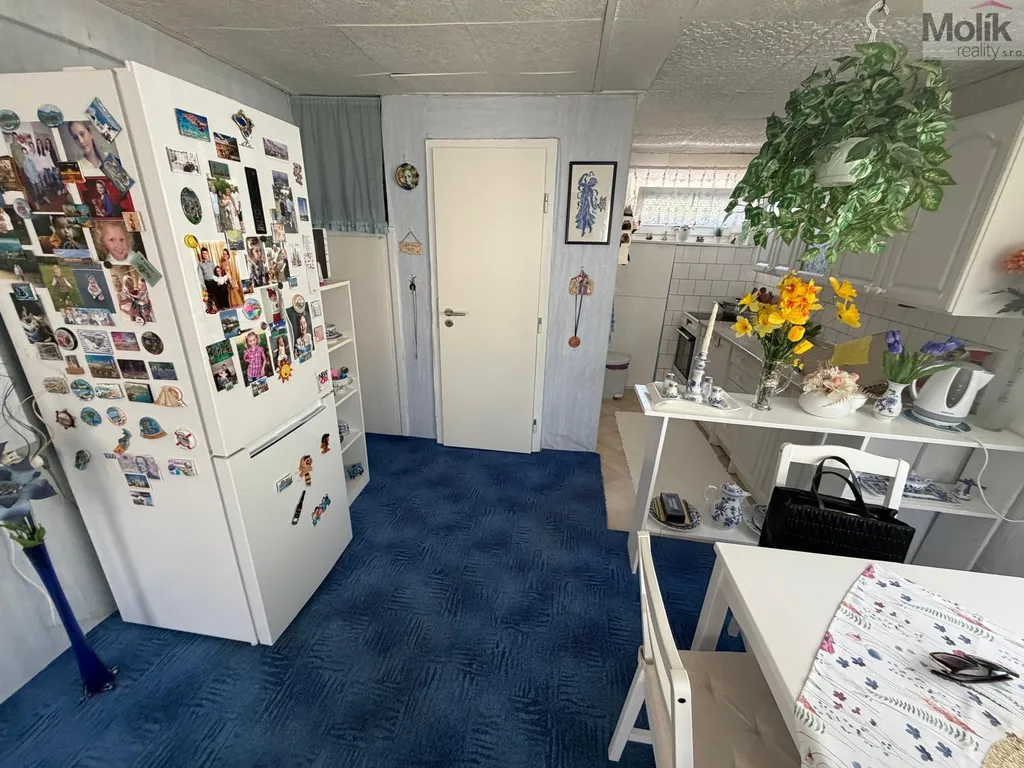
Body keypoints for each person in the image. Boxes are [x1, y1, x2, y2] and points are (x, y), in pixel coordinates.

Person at [196, 247, 217, 313]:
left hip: (214, 281)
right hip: (207, 282)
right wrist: (203, 286)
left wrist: (218, 281)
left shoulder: (211, 262)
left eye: (206, 253)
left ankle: (218, 308)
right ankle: (211, 309)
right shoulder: (200, 264)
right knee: (209, 297)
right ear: (201, 254)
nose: (205, 255)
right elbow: (200, 275)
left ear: (208, 254)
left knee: (216, 295)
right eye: (203, 253)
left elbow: (215, 272)